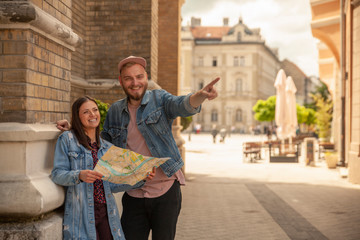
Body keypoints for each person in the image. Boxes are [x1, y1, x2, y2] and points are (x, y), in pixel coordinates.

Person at [57, 56, 220, 240]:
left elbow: (181, 105)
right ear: (121, 81)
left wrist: (201, 96)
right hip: (133, 193)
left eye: (139, 77)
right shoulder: (116, 111)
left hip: (165, 191)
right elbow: (100, 144)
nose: (135, 83)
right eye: (128, 78)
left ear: (146, 77)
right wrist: (74, 127)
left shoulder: (160, 99)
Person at [51, 96, 155, 240]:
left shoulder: (107, 148)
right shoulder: (67, 140)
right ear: (77, 116)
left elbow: (111, 184)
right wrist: (79, 175)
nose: (93, 114)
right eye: (86, 112)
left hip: (106, 211)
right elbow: (57, 174)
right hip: (82, 213)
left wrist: (140, 178)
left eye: (94, 110)